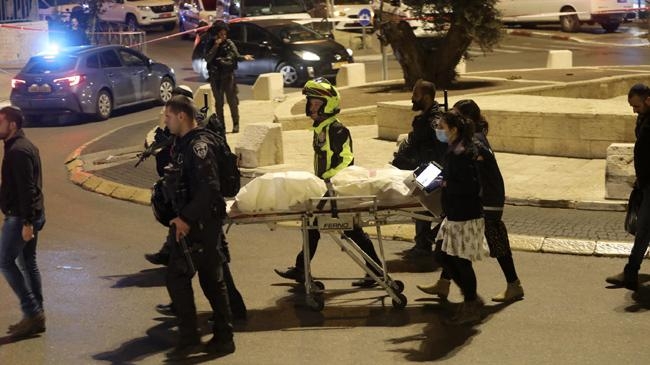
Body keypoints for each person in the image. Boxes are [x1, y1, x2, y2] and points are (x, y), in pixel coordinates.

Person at [274, 77, 383, 288]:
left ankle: (375, 271)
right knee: (315, 228)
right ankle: (302, 269)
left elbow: (346, 159)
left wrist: (327, 181)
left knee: (347, 231)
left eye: (316, 103)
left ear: (328, 104)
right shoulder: (321, 128)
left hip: (336, 191)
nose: (311, 107)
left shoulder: (336, 129)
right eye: (310, 102)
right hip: (328, 189)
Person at [417, 100, 524, 303]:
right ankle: (445, 284)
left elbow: (471, 165)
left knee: (493, 241)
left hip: (487, 199)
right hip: (484, 198)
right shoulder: (468, 139)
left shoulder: (473, 141)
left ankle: (512, 285)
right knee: (453, 247)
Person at [162, 95, 234, 359]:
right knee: (210, 278)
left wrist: (185, 219)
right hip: (199, 221)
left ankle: (194, 336)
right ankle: (219, 337)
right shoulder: (184, 143)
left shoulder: (199, 146)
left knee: (181, 277)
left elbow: (209, 189)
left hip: (202, 223)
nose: (165, 121)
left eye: (168, 116)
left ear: (182, 116)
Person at [431, 110, 489, 325]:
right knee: (442, 256)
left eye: (442, 128)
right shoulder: (454, 149)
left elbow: (471, 186)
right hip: (454, 214)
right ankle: (471, 298)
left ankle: (471, 302)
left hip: (464, 215)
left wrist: (446, 184)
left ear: (454, 130)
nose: (439, 131)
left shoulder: (464, 153)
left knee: (460, 261)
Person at [0, 106, 47, 338]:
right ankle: (37, 317)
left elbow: (27, 190)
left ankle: (32, 311)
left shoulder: (18, 151)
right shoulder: (21, 146)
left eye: (1, 122)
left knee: (5, 262)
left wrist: (28, 222)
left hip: (20, 217)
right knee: (28, 263)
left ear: (12, 125)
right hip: (29, 214)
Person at [391, 79, 446, 259]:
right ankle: (423, 243)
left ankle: (428, 241)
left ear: (427, 97)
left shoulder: (434, 121)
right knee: (419, 205)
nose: (413, 98)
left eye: (416, 94)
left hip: (435, 169)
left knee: (426, 206)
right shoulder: (425, 118)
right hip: (427, 168)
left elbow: (439, 147)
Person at [606, 83, 650, 291]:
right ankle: (631, 272)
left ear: (648, 100)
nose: (634, 110)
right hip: (646, 183)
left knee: (643, 229)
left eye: (637, 106)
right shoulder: (643, 119)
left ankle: (631, 272)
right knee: (643, 229)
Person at [204, 21, 253, 134]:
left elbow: (236, 56)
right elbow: (207, 58)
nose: (224, 37)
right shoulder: (211, 44)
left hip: (228, 77)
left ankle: (236, 124)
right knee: (219, 103)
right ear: (216, 34)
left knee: (232, 101)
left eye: (225, 34)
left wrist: (244, 57)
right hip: (215, 78)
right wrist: (216, 46)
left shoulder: (229, 43)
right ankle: (221, 127)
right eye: (221, 34)